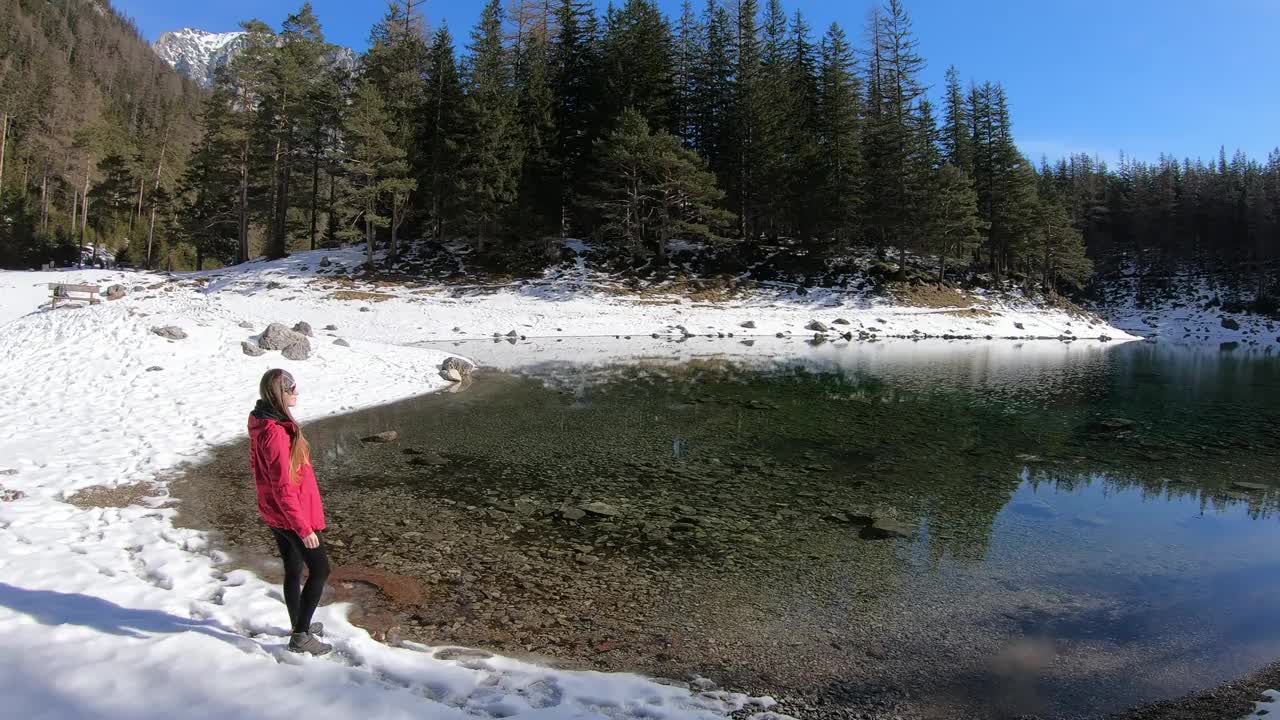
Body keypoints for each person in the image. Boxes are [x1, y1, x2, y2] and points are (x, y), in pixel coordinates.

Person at [249, 369, 333, 655]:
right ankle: (300, 636)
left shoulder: (267, 422)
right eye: (292, 389)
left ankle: (300, 622)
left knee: (294, 568)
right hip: (291, 515)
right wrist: (304, 528)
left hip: (277, 512)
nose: (297, 393)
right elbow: (283, 486)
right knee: (321, 569)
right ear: (279, 394)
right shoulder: (274, 433)